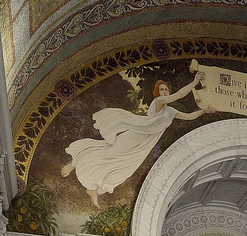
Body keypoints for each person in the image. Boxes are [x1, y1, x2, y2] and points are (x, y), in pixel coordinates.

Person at [62, 72, 213, 206]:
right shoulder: (158, 102)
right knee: (110, 153)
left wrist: (203, 111)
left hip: (144, 144)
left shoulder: (171, 111)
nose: (164, 91)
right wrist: (194, 82)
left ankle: (94, 188)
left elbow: (188, 116)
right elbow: (178, 95)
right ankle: (75, 163)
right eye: (162, 89)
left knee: (125, 169)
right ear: (158, 93)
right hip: (135, 135)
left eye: (166, 89)